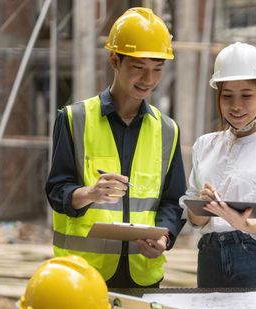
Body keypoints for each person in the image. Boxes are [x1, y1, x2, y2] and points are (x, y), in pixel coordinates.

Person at [45, 7, 186, 288]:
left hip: (143, 275)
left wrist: (164, 236)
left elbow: (173, 201)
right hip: (83, 274)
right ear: (114, 60)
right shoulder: (75, 119)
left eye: (157, 69)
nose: (149, 80)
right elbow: (57, 190)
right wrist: (89, 193)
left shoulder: (167, 130)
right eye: (138, 67)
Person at [180, 42, 256, 288]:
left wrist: (242, 223)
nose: (236, 106)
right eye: (227, 96)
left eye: (246, 95)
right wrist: (203, 205)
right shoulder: (205, 146)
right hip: (210, 257)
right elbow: (195, 219)